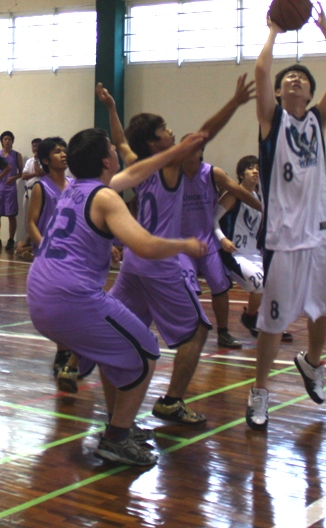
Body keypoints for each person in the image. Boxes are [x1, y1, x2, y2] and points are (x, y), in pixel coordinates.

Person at [27, 127, 208, 467]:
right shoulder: (106, 196)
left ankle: (116, 423)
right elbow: (145, 245)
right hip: (71, 298)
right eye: (112, 149)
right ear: (107, 160)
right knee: (146, 351)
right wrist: (185, 245)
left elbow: (137, 173)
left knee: (117, 352)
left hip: (39, 294)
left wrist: (176, 150)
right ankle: (116, 439)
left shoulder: (71, 189)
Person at [96, 74, 255, 425]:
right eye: (165, 129)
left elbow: (121, 140)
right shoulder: (169, 162)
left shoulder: (138, 164)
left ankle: (115, 414)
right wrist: (234, 102)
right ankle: (170, 401)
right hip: (161, 263)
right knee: (197, 331)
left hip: (134, 264)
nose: (171, 132)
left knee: (120, 333)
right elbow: (203, 135)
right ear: (156, 143)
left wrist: (111, 107)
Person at [246, 4, 326, 430]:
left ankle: (311, 362)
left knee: (323, 310)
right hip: (284, 238)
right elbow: (259, 72)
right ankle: (260, 392)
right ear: (281, 92)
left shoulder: (317, 122)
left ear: (309, 94)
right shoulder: (272, 123)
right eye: (289, 77)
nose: (295, 80)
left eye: (302, 79)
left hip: (321, 235)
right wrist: (273, 30)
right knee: (272, 321)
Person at [180, 144, 262, 349]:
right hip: (182, 242)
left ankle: (224, 333)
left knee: (220, 287)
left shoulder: (212, 173)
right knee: (189, 289)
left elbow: (237, 190)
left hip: (207, 239)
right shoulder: (172, 173)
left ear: (200, 152)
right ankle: (190, 331)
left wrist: (264, 209)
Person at [214, 154, 292, 343]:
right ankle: (251, 318)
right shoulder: (233, 194)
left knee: (275, 283)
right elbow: (213, 219)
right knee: (259, 282)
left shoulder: (260, 198)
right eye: (250, 168)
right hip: (234, 253)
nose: (255, 170)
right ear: (241, 174)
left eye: (257, 167)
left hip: (254, 252)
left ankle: (259, 321)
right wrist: (223, 239)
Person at [27, 137, 73, 377]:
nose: (63, 154)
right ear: (45, 160)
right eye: (57, 152)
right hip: (51, 258)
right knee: (60, 308)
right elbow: (31, 222)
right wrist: (44, 247)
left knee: (74, 306)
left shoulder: (75, 185)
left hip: (75, 256)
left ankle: (72, 352)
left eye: (64, 151)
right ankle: (64, 351)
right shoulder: (40, 187)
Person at [0, 131, 23, 252]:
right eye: (5, 139)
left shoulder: (16, 155)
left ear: (12, 141)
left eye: (9, 139)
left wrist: (14, 177)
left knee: (11, 215)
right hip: (0, 188)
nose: (7, 141)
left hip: (10, 189)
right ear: (2, 141)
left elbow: (21, 173)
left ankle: (10, 240)